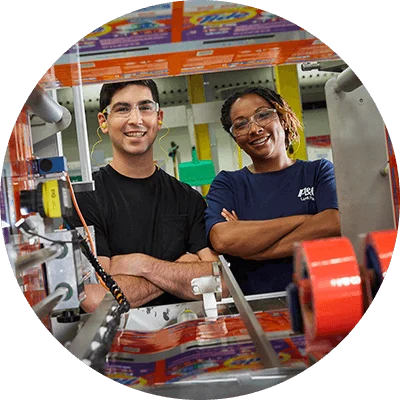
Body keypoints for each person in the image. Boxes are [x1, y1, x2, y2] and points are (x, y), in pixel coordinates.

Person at [67, 79, 228, 313]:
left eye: (145, 107)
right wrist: (178, 270)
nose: (136, 119)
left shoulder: (186, 198)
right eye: (122, 109)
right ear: (104, 121)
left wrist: (142, 265)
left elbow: (219, 282)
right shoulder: (85, 200)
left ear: (159, 117)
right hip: (119, 341)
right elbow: (95, 298)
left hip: (185, 334)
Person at [204, 86, 341, 296]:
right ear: (236, 139)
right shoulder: (228, 183)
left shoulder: (318, 172)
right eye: (241, 124)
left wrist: (255, 250)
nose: (254, 128)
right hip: (255, 307)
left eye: (262, 115)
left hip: (322, 299)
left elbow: (333, 222)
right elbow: (222, 239)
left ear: (282, 117)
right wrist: (307, 218)